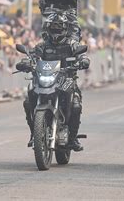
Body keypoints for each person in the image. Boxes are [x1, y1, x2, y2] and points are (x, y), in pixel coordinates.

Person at [17, 12, 90, 151]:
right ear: (48, 28)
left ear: (65, 28)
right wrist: (26, 62)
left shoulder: (72, 44)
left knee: (75, 105)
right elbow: (32, 56)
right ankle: (34, 133)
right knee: (28, 101)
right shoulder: (42, 46)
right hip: (44, 79)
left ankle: (72, 139)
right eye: (53, 27)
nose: (56, 30)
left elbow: (82, 54)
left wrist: (83, 61)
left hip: (66, 79)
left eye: (59, 27)